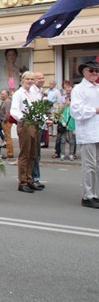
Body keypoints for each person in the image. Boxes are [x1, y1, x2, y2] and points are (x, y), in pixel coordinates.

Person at [70, 60, 99, 209]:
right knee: (89, 166)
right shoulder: (79, 89)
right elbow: (76, 111)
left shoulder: (98, 88)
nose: (94, 73)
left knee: (97, 166)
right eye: (91, 71)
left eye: (97, 71)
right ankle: (87, 196)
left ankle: (95, 194)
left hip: (98, 131)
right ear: (84, 72)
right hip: (88, 132)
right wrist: (95, 110)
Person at [10, 71, 43, 193]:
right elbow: (14, 111)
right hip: (25, 124)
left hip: (34, 124)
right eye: (28, 79)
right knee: (25, 154)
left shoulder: (32, 93)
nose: (30, 81)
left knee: (33, 154)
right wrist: (22, 118)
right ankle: (22, 181)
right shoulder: (19, 94)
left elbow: (36, 110)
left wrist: (44, 119)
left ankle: (29, 179)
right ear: (22, 80)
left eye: (32, 79)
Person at [59, 95, 76, 161]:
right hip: (64, 127)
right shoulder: (63, 108)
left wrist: (75, 128)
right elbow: (60, 116)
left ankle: (71, 154)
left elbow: (75, 119)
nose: (65, 102)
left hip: (71, 127)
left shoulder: (73, 109)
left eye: (67, 100)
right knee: (63, 141)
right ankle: (62, 154)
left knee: (72, 141)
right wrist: (62, 122)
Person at [0, 90, 14, 160]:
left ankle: (10, 153)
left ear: (7, 95)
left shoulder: (7, 102)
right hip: (4, 121)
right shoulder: (5, 102)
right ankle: (9, 152)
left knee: (7, 137)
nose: (1, 95)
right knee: (6, 137)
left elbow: (8, 112)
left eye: (2, 94)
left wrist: (4, 120)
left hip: (6, 122)